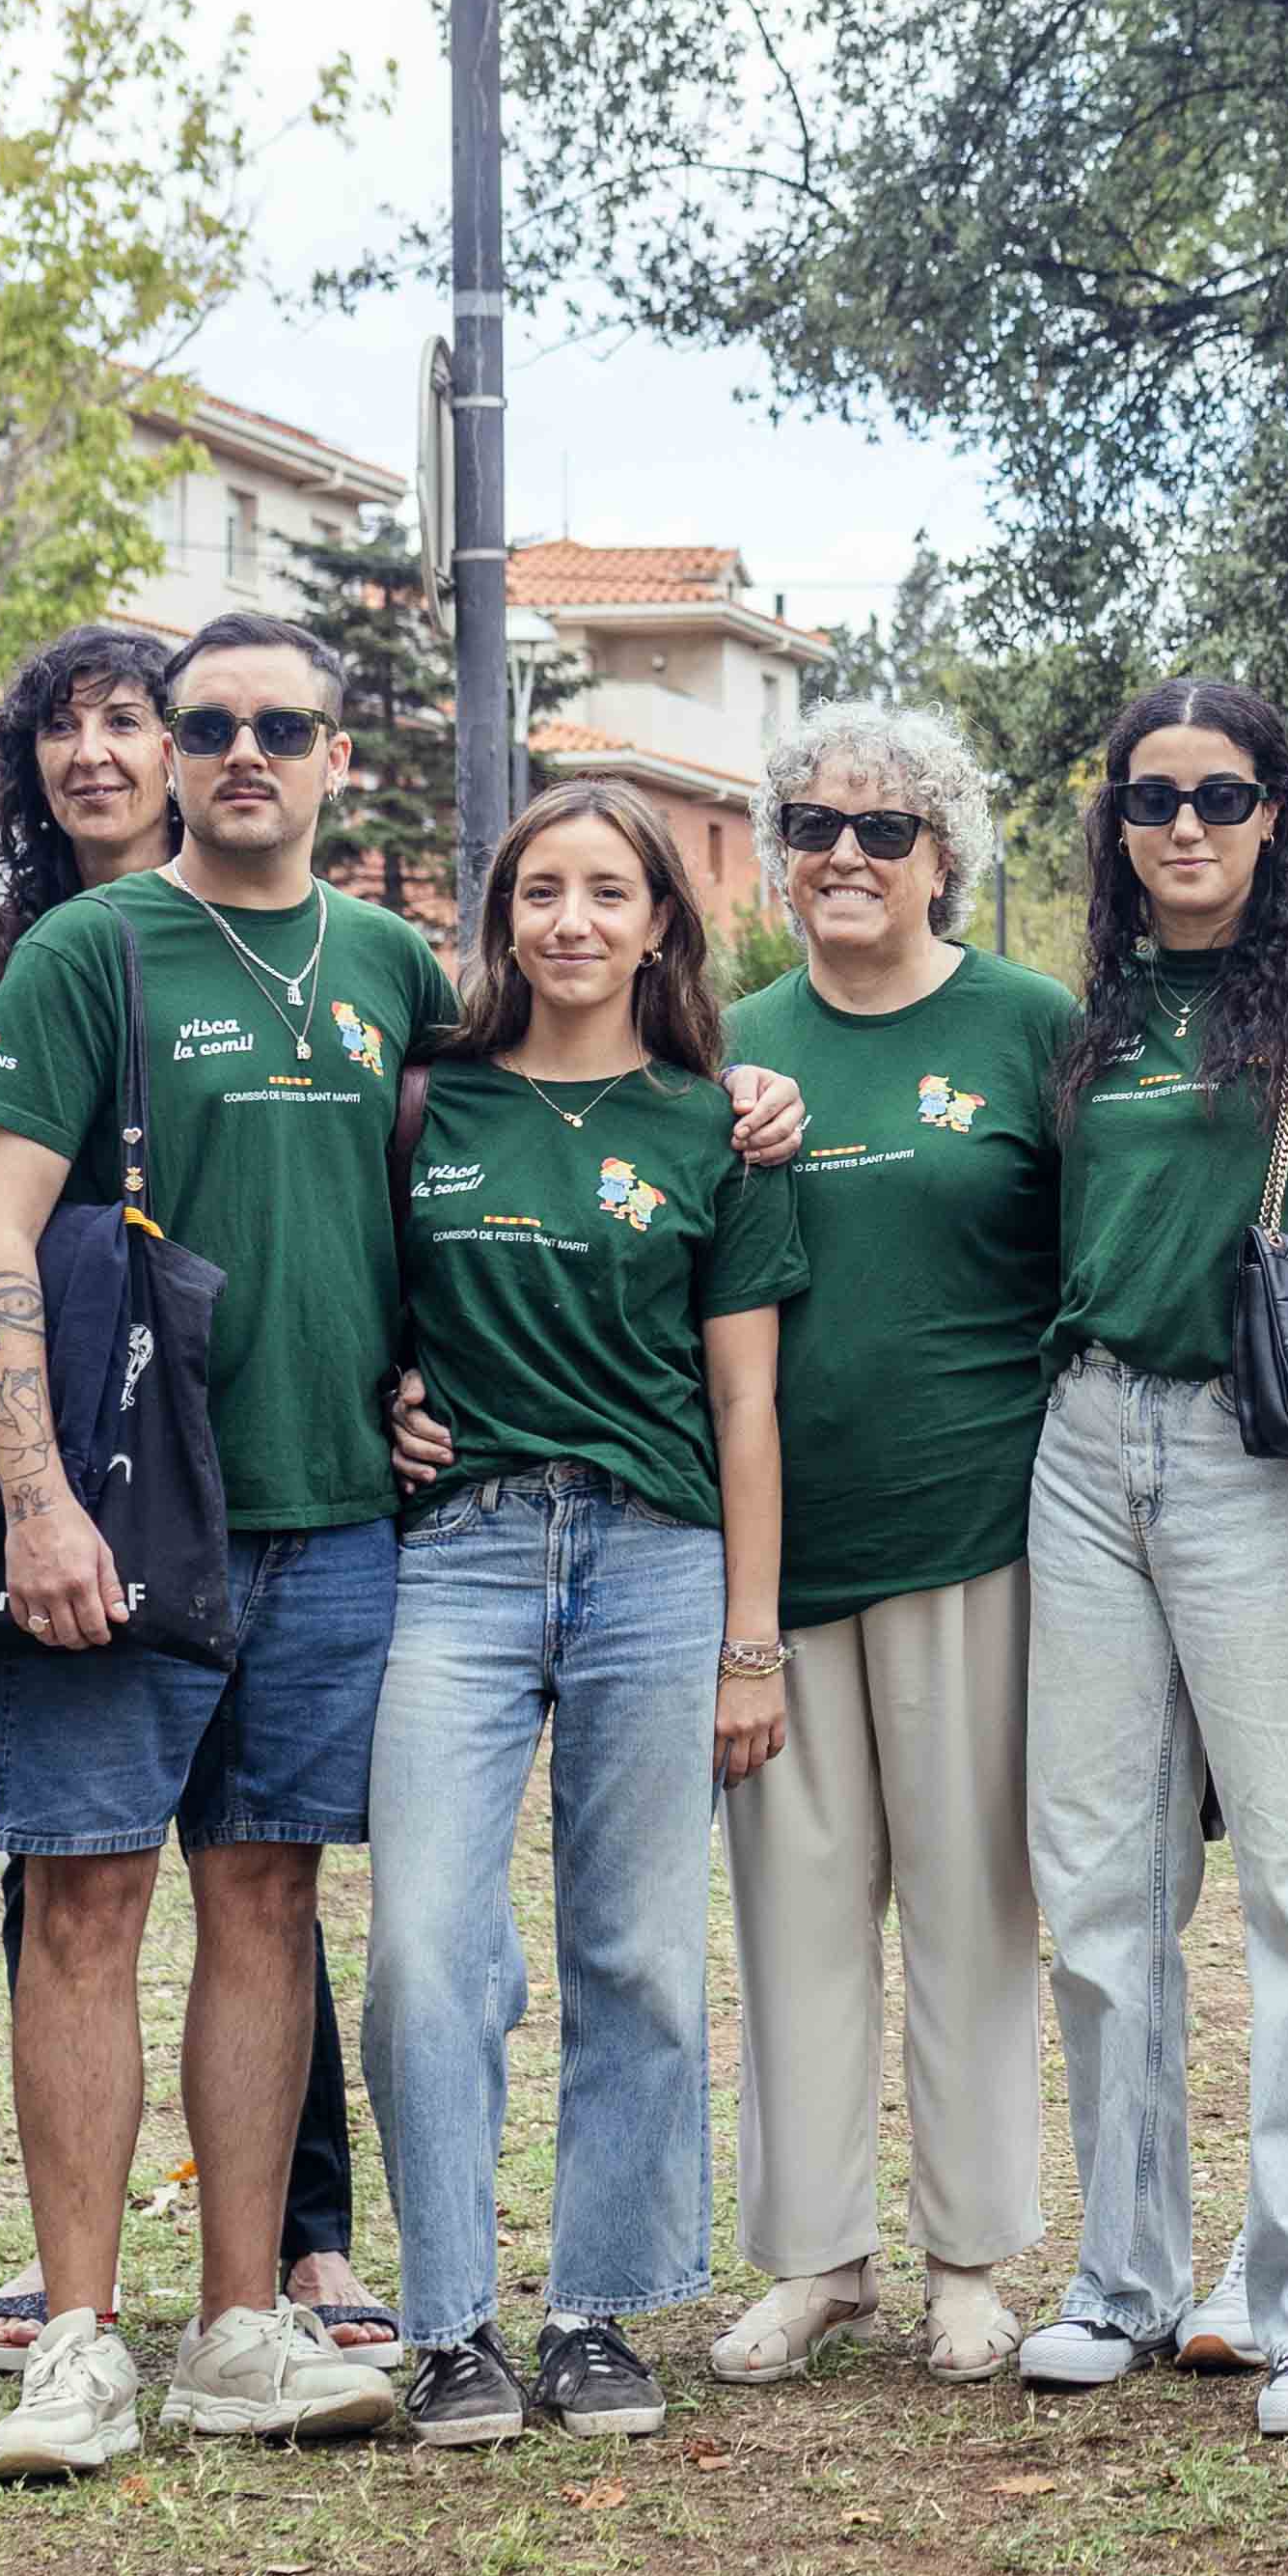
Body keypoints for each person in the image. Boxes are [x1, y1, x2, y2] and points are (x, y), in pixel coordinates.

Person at [0, 610, 457, 2479]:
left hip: (332, 1522)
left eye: (281, 724)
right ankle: (77, 2342)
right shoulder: (94, 950)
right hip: (118, 1519)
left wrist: (743, 1089)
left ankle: (243, 2321)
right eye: (210, 719)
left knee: (266, 1900)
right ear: (175, 748)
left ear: (339, 759)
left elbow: (563, 1090)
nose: (245, 749)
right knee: (82, 1903)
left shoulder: (395, 956)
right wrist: (36, 1495)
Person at [1017, 678, 1288, 2441]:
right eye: (1150, 798)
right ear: (1114, 827)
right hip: (1088, 1437)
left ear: (1278, 816)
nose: (1183, 825)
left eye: (1220, 795)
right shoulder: (1097, 1015)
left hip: (1262, 1458)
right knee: (1103, 1880)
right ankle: (1125, 2275)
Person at [366, 781, 809, 2449]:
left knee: (635, 1951)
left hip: (655, 1561)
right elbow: (359, 1318)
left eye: (605, 893)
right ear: (500, 920)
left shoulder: (719, 1128)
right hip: (459, 1559)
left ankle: (599, 2313)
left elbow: (746, 1407)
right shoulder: (424, 1109)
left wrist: (749, 1644)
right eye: (539, 891)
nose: (570, 921)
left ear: (658, 926)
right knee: (424, 1943)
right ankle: (449, 2324)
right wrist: (391, 1396)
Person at [704, 706, 1077, 2392]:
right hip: (775, 1558)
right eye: (810, 825)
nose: (842, 856)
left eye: (882, 831)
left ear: (946, 859)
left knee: (972, 1910)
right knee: (793, 1909)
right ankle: (816, 2260)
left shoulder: (1030, 1029)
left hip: (974, 1533)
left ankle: (972, 2260)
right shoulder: (715, 1044)